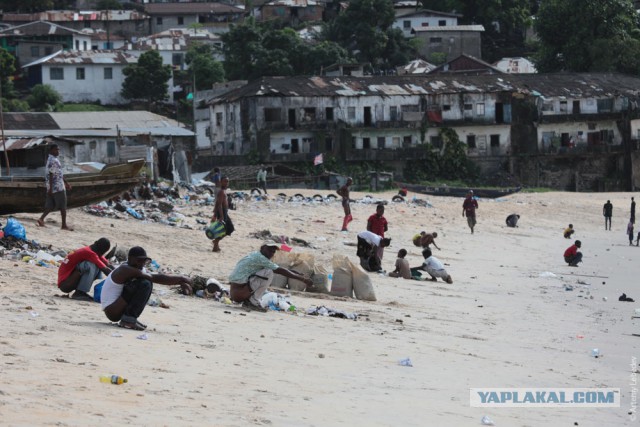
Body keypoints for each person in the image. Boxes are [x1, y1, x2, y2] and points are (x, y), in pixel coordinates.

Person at [101, 246, 192, 330]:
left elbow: (157, 277)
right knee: (145, 283)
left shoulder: (138, 268)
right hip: (112, 310)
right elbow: (154, 277)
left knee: (146, 282)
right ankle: (128, 320)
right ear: (130, 259)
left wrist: (179, 282)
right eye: (139, 260)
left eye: (144, 261)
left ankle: (129, 318)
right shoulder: (125, 269)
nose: (141, 263)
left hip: (117, 307)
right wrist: (181, 279)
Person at [228, 241, 312, 312]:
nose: (271, 253)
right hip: (239, 293)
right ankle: (252, 302)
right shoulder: (261, 258)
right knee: (268, 272)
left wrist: (296, 273)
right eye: (269, 250)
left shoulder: (256, 255)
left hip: (236, 292)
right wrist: (303, 279)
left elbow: (279, 269)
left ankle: (250, 301)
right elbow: (279, 270)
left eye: (273, 251)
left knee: (268, 271)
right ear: (262, 248)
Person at [37, 144, 73, 230]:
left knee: (50, 205)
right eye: (56, 150)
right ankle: (64, 225)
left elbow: (59, 173)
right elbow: (51, 174)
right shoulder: (53, 160)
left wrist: (66, 183)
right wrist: (52, 188)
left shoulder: (51, 159)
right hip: (57, 187)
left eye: (58, 150)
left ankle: (41, 219)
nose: (58, 151)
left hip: (52, 186)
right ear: (51, 150)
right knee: (63, 206)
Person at [211, 176, 235, 252]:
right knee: (228, 228)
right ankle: (215, 243)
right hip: (222, 212)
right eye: (225, 181)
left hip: (223, 212)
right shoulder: (221, 191)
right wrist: (221, 216)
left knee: (225, 229)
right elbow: (219, 204)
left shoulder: (224, 191)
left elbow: (217, 203)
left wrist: (214, 215)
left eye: (227, 181)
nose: (226, 183)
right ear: (221, 182)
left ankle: (216, 244)